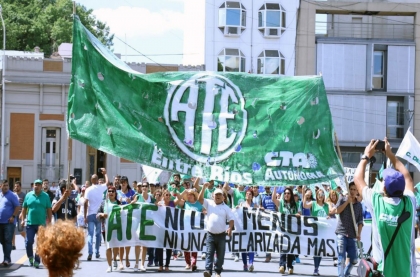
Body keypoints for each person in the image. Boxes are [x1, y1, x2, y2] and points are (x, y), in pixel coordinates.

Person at [354, 138, 416, 277]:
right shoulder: (409, 203)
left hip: (383, 273)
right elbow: (408, 178)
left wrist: (366, 156)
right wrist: (391, 156)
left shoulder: (377, 202)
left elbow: (357, 178)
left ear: (385, 189)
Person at [199, 181, 234, 277]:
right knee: (209, 253)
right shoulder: (209, 203)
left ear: (223, 197)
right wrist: (203, 188)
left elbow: (231, 219)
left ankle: (218, 272)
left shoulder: (226, 208)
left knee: (220, 255)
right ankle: (208, 271)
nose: (218, 196)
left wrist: (230, 228)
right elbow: (200, 199)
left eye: (220, 195)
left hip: (221, 235)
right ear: (213, 196)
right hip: (210, 234)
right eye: (216, 194)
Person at [333, 181, 363, 277]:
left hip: (352, 235)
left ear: (357, 191)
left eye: (355, 189)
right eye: (351, 189)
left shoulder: (359, 205)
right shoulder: (342, 199)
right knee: (341, 258)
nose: (353, 191)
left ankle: (346, 273)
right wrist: (347, 202)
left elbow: (360, 221)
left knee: (354, 259)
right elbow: (337, 211)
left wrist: (359, 233)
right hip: (341, 233)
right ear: (348, 189)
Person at [21, 179, 53, 268]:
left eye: (39, 185)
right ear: (33, 185)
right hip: (30, 223)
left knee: (40, 243)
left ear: (41, 186)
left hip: (41, 224)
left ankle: (37, 260)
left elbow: (49, 209)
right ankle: (30, 257)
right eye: (36, 184)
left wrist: (50, 220)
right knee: (28, 242)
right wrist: (23, 219)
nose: (37, 186)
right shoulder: (28, 195)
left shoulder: (45, 196)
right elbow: (24, 208)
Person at [272, 187, 301, 274]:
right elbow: (273, 199)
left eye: (288, 193)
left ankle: (290, 266)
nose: (287, 195)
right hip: (283, 229)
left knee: (291, 248)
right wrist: (275, 187)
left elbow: (299, 213)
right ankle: (282, 265)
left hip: (292, 229)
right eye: (285, 193)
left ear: (291, 195)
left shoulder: (295, 204)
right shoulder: (281, 203)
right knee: (283, 247)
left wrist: (297, 214)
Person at [303, 188, 330, 275]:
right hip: (315, 230)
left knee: (320, 250)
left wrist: (329, 216)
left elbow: (330, 213)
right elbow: (305, 205)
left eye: (322, 195)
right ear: (317, 196)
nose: (320, 196)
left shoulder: (326, 205)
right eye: (319, 194)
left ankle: (317, 267)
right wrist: (304, 194)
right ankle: (315, 268)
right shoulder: (313, 203)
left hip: (323, 230)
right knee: (316, 250)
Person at [177, 179, 202, 271]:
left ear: (194, 196)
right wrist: (185, 191)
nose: (189, 195)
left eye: (191, 194)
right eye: (188, 194)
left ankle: (193, 263)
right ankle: (188, 263)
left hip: (196, 228)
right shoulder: (185, 203)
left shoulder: (199, 204)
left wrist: (205, 212)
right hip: (186, 227)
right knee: (186, 245)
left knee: (194, 245)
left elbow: (204, 212)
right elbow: (178, 199)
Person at [84, 170, 108, 261]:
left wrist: (85, 215)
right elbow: (107, 182)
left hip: (90, 214)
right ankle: (97, 252)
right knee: (98, 234)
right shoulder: (101, 187)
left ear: (91, 180)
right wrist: (105, 173)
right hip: (98, 214)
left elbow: (86, 203)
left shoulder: (88, 189)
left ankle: (90, 253)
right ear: (97, 180)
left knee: (90, 234)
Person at [96, 186, 121, 272]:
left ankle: (114, 259)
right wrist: (102, 214)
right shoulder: (104, 203)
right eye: (109, 191)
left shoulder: (118, 203)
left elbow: (124, 213)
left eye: (112, 191)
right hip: (106, 228)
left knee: (115, 246)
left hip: (116, 228)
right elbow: (97, 214)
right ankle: (109, 265)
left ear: (115, 193)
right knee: (108, 247)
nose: (111, 193)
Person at [132, 182, 154, 272]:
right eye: (143, 186)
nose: (144, 187)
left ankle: (142, 264)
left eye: (146, 186)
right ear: (140, 188)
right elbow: (132, 204)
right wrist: (132, 202)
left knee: (144, 245)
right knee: (137, 244)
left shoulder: (151, 197)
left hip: (147, 223)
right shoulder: (137, 196)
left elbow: (156, 206)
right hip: (138, 223)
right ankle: (136, 263)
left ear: (148, 188)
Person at [116, 175, 136, 269]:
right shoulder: (117, 192)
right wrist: (118, 202)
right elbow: (112, 201)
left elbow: (136, 199)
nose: (123, 184)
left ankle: (127, 257)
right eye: (121, 182)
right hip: (120, 218)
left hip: (129, 218)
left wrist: (131, 201)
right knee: (121, 240)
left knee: (127, 240)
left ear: (127, 183)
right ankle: (120, 261)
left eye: (124, 182)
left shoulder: (131, 192)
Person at [0, 180, 20, 266]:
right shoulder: (0, 195)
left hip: (9, 222)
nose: (6, 187)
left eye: (7, 185)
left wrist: (13, 216)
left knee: (8, 241)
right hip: (0, 222)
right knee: (2, 241)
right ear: (0, 186)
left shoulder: (12, 195)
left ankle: (7, 259)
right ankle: (6, 258)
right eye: (4, 185)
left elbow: (17, 206)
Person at [239, 189, 256, 272]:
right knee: (244, 247)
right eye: (247, 194)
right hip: (243, 229)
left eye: (250, 194)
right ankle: (245, 264)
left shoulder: (255, 205)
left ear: (252, 196)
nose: (248, 195)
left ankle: (251, 263)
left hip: (252, 229)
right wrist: (237, 208)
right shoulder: (242, 204)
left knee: (251, 246)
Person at [261, 185, 276, 262]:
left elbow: (276, 205)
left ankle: (271, 252)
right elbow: (261, 205)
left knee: (273, 236)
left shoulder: (274, 195)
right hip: (266, 217)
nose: (267, 190)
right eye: (266, 188)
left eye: (268, 188)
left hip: (274, 217)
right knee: (267, 237)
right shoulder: (262, 196)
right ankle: (268, 254)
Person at [12, 181, 26, 250]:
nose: (16, 188)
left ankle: (26, 238)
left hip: (20, 214)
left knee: (20, 231)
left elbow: (25, 206)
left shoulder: (23, 195)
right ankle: (13, 245)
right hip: (14, 214)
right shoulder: (13, 195)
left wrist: (23, 214)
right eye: (15, 186)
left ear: (20, 187)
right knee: (12, 229)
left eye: (17, 186)